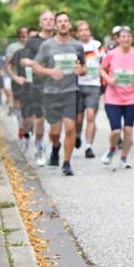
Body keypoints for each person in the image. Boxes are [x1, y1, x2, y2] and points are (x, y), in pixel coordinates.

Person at [31, 12, 87, 176]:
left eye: (65, 21)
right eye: (60, 21)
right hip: (51, 93)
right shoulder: (47, 46)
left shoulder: (77, 46)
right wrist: (50, 72)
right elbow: (35, 67)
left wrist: (81, 70)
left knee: (70, 128)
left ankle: (67, 163)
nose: (63, 24)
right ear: (56, 25)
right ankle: (56, 147)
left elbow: (84, 67)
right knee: (54, 132)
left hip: (71, 91)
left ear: (70, 25)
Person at [100, 27, 134, 168]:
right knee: (116, 131)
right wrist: (108, 79)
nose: (126, 39)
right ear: (118, 39)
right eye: (123, 36)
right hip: (113, 98)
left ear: (132, 39)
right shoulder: (111, 54)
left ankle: (124, 158)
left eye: (128, 36)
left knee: (128, 130)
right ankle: (112, 149)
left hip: (131, 98)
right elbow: (102, 69)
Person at [19, 10, 57, 165]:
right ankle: (40, 147)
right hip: (38, 85)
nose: (48, 21)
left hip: (57, 86)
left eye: (51, 19)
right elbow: (23, 61)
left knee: (55, 121)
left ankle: (54, 148)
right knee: (39, 120)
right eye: (45, 19)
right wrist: (35, 63)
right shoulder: (33, 41)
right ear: (41, 23)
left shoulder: (60, 40)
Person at [73, 21, 103, 159]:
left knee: (91, 115)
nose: (84, 32)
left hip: (94, 85)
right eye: (81, 30)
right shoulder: (74, 46)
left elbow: (105, 62)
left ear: (90, 32)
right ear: (77, 33)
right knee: (78, 119)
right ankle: (77, 134)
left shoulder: (96, 45)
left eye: (86, 30)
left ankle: (88, 146)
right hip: (77, 85)